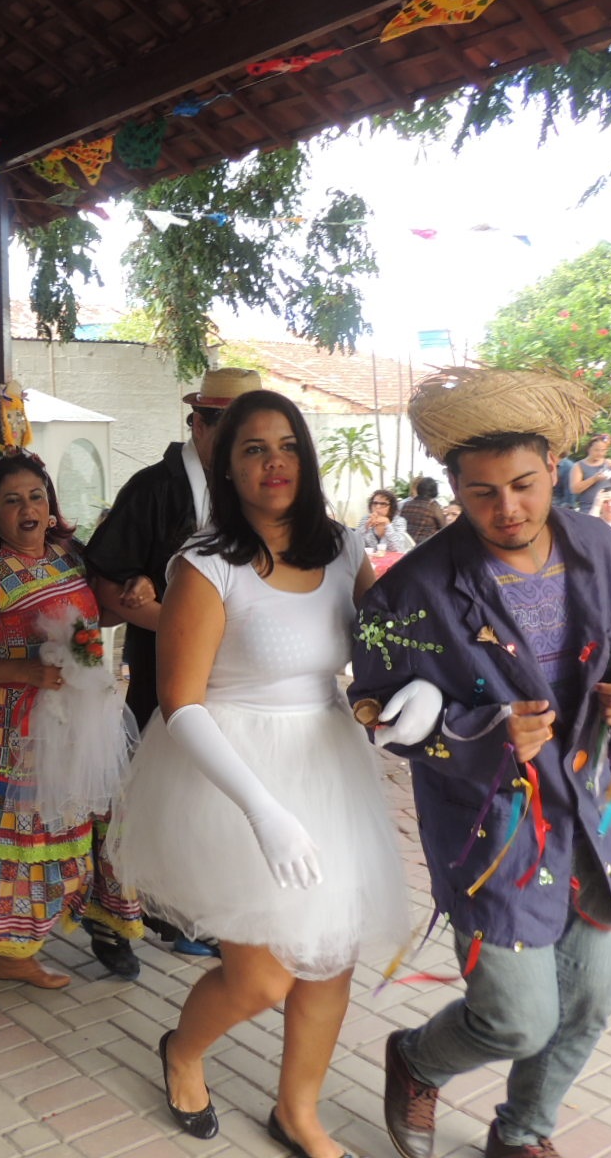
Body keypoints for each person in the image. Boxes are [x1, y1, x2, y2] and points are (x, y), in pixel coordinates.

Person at [348, 367, 611, 1158]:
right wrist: (484, 733)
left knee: (588, 1004)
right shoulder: (414, 589)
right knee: (517, 1019)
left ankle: (523, 1133)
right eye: (482, 492)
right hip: (496, 827)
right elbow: (376, 711)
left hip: (595, 814)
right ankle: (417, 1060)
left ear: (554, 468)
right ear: (453, 485)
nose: (508, 509)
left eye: (524, 485)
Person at [109, 391, 409, 1157]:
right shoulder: (207, 565)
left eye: (287, 446)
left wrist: (414, 701)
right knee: (262, 979)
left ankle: (298, 1113)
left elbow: (389, 650)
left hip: (328, 764)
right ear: (226, 467)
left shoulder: (343, 548)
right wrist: (262, 810)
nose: (274, 462)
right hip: (229, 774)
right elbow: (180, 701)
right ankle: (183, 1050)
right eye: (253, 449)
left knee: (330, 954)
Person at [0, 451, 144, 1012]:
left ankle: (13, 952)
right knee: (7, 852)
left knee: (54, 850)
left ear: (51, 505)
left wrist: (136, 593)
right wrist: (26, 671)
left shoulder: (70, 557)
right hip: (5, 741)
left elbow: (99, 616)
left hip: (69, 733)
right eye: (12, 500)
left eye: (37, 497)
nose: (28, 509)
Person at [83, 366, 261, 967]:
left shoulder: (249, 490)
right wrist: (170, 615)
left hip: (232, 682)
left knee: (207, 797)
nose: (248, 450)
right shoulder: (154, 489)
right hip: (164, 674)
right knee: (144, 798)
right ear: (199, 425)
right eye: (237, 433)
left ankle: (186, 912)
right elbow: (104, 590)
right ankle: (115, 919)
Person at [567, 433, 611, 513]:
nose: (600, 453)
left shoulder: (609, 463)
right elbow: (574, 489)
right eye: (596, 450)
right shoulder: (578, 466)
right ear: (589, 449)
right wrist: (594, 479)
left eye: (603, 450)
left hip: (608, 509)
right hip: (588, 509)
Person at [358, 489, 414, 553]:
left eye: (383, 504)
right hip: (371, 558)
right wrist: (365, 528)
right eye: (375, 503)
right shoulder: (365, 519)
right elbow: (356, 544)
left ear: (391, 507)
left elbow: (398, 548)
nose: (378, 507)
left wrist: (388, 524)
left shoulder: (398, 521)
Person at [399, 477, 446, 544]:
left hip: (405, 545)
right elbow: (444, 527)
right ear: (434, 491)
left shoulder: (406, 505)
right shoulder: (434, 506)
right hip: (423, 547)